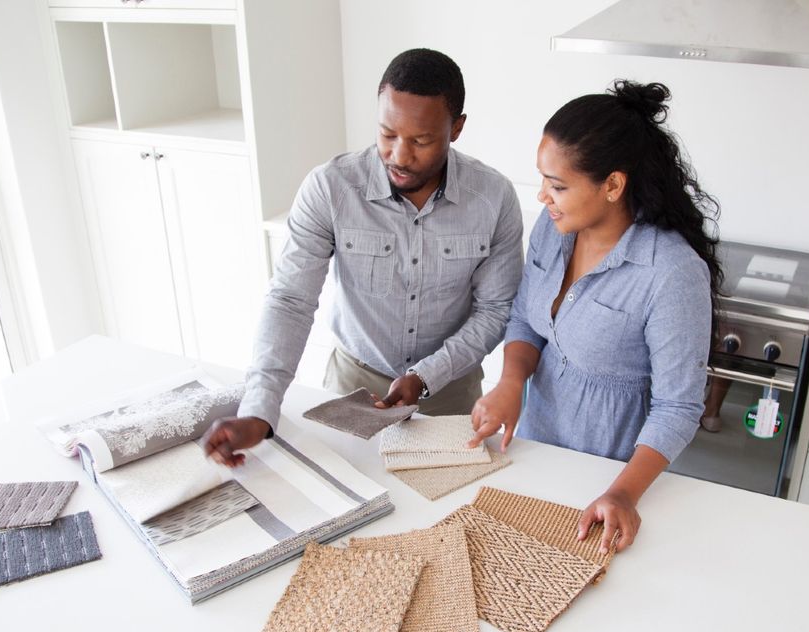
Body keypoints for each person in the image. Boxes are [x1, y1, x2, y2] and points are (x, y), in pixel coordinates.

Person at [204, 49, 524, 467]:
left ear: (457, 128)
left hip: (452, 394)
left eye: (421, 140)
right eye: (387, 134)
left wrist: (426, 376)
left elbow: (496, 310)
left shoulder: (494, 198)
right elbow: (290, 301)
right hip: (352, 388)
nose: (399, 155)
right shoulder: (330, 188)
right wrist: (258, 410)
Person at [469, 80, 723, 553]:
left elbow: (678, 407)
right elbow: (527, 320)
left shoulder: (670, 272)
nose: (543, 196)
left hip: (610, 480)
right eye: (543, 179)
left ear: (612, 184)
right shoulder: (554, 228)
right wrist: (509, 384)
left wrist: (622, 493)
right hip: (536, 455)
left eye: (558, 185)